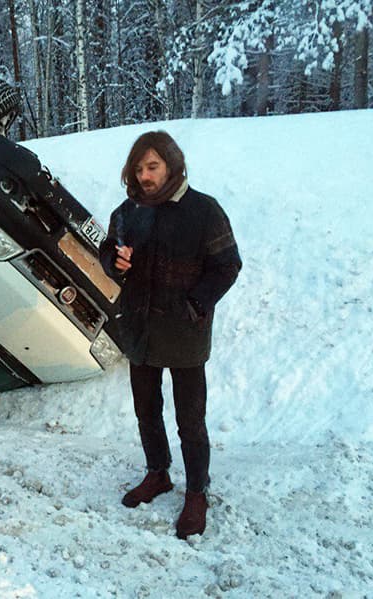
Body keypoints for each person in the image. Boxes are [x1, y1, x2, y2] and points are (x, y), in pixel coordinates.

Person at [99, 131, 241, 539]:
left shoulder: (204, 211)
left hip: (184, 331)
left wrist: (196, 304)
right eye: (139, 168)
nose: (145, 175)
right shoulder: (128, 211)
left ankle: (197, 491)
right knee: (146, 411)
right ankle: (157, 473)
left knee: (190, 421)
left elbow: (227, 265)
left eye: (152, 166)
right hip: (140, 328)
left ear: (172, 165)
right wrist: (115, 262)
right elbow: (110, 251)